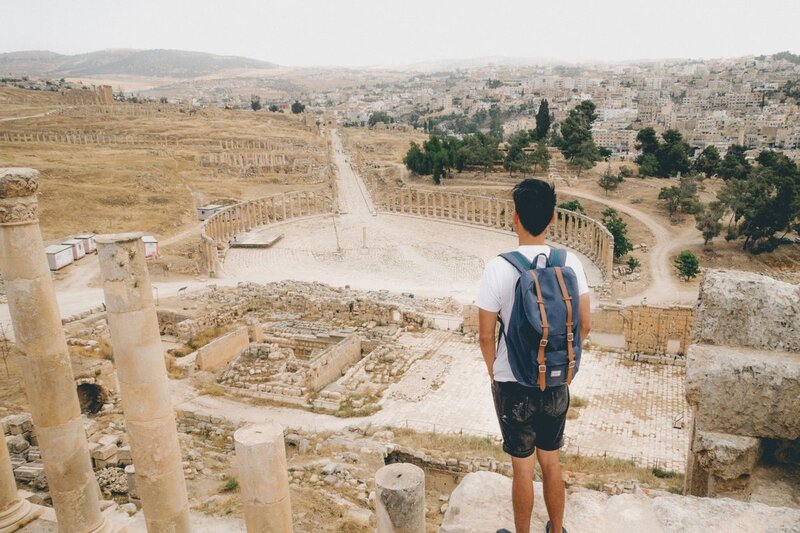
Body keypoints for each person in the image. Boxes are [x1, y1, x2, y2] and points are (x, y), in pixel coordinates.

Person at [476, 178, 591, 533]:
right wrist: (561, 363)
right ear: (553, 217)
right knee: (552, 463)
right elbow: (584, 326)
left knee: (522, 469)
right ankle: (556, 530)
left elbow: (484, 334)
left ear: (515, 218)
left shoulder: (498, 267)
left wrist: (495, 372)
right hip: (556, 379)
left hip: (514, 384)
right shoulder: (569, 262)